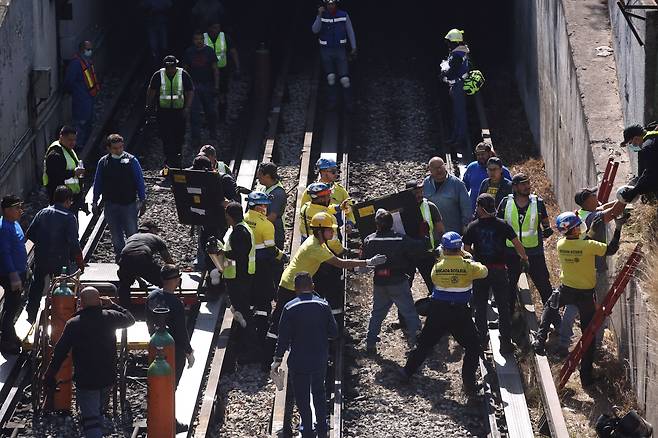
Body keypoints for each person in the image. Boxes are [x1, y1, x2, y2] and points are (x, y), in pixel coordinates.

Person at [265, 212, 386, 362]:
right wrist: (368, 262)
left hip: (298, 284)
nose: (333, 232)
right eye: (330, 229)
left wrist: (359, 265)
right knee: (279, 321)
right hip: (291, 286)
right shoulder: (315, 247)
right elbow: (340, 263)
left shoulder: (318, 242)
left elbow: (339, 261)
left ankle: (318, 345)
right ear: (320, 230)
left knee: (313, 309)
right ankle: (268, 358)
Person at [532, 212, 624, 387]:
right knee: (587, 335)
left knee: (550, 306)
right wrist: (618, 227)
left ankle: (540, 338)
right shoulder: (589, 245)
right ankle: (586, 377)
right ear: (575, 228)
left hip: (567, 289)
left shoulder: (560, 244)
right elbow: (611, 249)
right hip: (585, 295)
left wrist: (590, 231)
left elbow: (578, 244)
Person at [400, 232, 487, 395]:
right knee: (473, 347)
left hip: (438, 312)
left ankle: (406, 372)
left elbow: (434, 277)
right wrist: (468, 257)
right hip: (461, 313)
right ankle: (469, 385)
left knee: (424, 344)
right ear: (459, 247)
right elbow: (484, 272)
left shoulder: (437, 267)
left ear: (444, 248)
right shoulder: (469, 266)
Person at [45, 287, 135, 438]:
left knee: (90, 419)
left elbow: (60, 352)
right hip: (108, 377)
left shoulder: (73, 323)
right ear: (99, 300)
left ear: (81, 303)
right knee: (98, 412)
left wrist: (50, 374)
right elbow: (130, 319)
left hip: (86, 379)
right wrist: (112, 304)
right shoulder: (110, 316)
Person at [558, 187, 627, 356]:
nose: (597, 197)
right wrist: (628, 195)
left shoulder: (580, 215)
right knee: (600, 308)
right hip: (594, 269)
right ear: (587, 201)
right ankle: (596, 345)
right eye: (594, 195)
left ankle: (563, 343)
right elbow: (614, 211)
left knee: (572, 307)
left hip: (575, 272)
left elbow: (603, 209)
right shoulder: (593, 217)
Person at [271, 272, 337, 438]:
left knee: (301, 396)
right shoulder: (323, 305)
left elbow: (283, 338)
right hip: (319, 358)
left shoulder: (289, 307)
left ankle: (307, 430)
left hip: (298, 360)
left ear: (295, 289)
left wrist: (277, 360)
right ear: (312, 286)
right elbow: (334, 332)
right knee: (319, 392)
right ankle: (322, 428)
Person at [462, 194, 529, 353]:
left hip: (480, 271)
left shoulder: (473, 227)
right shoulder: (503, 225)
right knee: (503, 307)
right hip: (499, 271)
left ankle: (482, 341)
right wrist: (524, 258)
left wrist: (475, 259)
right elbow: (517, 244)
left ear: (479, 208)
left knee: (480, 307)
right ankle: (505, 343)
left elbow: (466, 250)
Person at [362, 209, 426, 353]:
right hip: (398, 281)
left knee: (377, 314)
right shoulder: (400, 239)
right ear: (392, 224)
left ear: (377, 225)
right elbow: (420, 247)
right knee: (409, 312)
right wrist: (423, 235)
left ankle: (370, 343)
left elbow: (363, 262)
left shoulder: (369, 240)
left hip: (380, 281)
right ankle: (418, 342)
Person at [26, 186, 85, 323]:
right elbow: (74, 243)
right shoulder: (69, 218)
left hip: (41, 257)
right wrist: (80, 261)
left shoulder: (42, 212)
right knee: (62, 287)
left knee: (37, 285)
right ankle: (60, 316)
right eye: (70, 201)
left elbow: (30, 234)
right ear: (67, 201)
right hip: (60, 260)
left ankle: (31, 316)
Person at [498, 173, 554, 313]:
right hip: (511, 252)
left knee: (544, 286)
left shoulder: (538, 203)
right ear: (515, 187)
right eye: (523, 184)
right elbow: (497, 225)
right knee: (508, 287)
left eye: (528, 183)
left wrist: (547, 229)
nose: (527, 186)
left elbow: (545, 223)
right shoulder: (505, 203)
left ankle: (554, 319)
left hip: (533, 252)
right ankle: (508, 317)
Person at [92, 134, 147, 259]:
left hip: (128, 204)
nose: (119, 150)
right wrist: (94, 201)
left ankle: (134, 257)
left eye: (121, 147)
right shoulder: (103, 162)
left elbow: (139, 181)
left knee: (132, 233)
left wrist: (143, 199)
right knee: (116, 236)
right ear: (109, 148)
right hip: (111, 204)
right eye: (115, 148)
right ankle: (121, 258)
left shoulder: (132, 161)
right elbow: (98, 182)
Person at [244, 192, 288, 345]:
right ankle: (262, 329)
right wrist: (282, 256)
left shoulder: (244, 220)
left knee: (250, 295)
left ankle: (247, 327)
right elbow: (271, 249)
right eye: (264, 205)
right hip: (262, 266)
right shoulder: (266, 225)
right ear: (259, 207)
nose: (266, 208)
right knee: (264, 296)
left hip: (246, 265)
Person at [145, 265, 194, 387]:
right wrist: (189, 351)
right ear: (176, 280)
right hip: (173, 349)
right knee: (171, 382)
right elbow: (181, 331)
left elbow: (148, 321)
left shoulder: (152, 296)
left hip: (155, 342)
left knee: (156, 380)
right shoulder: (176, 304)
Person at [146, 55, 194, 169]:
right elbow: (151, 90)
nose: (171, 69)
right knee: (166, 136)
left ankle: (177, 156)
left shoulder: (183, 75)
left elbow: (190, 91)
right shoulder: (158, 75)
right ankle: (169, 159)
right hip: (164, 112)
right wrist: (148, 105)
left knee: (179, 136)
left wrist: (187, 108)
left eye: (173, 66)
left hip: (179, 111)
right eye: (169, 67)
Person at [117, 220, 174, 307]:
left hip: (124, 258)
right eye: (156, 230)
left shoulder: (132, 237)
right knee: (164, 281)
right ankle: (165, 305)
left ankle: (125, 308)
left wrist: (140, 280)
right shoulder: (156, 238)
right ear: (152, 229)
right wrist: (174, 276)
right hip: (142, 258)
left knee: (124, 285)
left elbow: (132, 262)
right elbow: (169, 262)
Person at [312, 0, 357, 110]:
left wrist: (354, 46)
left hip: (340, 50)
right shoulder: (322, 16)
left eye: (332, 3)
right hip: (326, 50)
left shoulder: (343, 15)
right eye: (328, 4)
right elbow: (315, 30)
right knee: (330, 78)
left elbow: (350, 30)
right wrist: (319, 15)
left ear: (336, 4)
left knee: (344, 79)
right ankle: (332, 102)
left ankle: (349, 104)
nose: (330, 6)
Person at [218, 202, 255, 328]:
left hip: (239, 274)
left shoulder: (239, 232)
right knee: (239, 301)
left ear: (229, 216)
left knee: (241, 302)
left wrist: (223, 253)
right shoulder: (241, 228)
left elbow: (239, 254)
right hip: (238, 271)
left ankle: (245, 326)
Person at [405, 180, 445, 293]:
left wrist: (442, 249)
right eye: (415, 193)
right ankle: (405, 310)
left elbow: (441, 230)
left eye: (421, 192)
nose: (419, 195)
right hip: (407, 254)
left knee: (433, 285)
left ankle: (434, 308)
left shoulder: (430, 207)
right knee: (405, 288)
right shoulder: (401, 209)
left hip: (426, 253)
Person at [0, 195, 28, 354]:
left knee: (15, 305)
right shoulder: (4, 228)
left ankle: (10, 335)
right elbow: (5, 253)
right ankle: (5, 341)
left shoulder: (14, 223)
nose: (20, 210)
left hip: (19, 271)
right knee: (11, 307)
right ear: (7, 210)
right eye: (17, 208)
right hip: (11, 274)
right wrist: (13, 275)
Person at [183, 30, 220, 147]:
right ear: (193, 40)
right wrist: (185, 88)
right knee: (194, 113)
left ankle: (213, 132)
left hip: (207, 84)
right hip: (193, 86)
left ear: (203, 39)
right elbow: (185, 71)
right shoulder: (189, 52)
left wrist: (217, 85)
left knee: (211, 111)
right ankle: (196, 138)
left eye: (200, 39)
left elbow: (215, 69)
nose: (198, 41)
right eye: (196, 39)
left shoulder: (209, 51)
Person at [301, 158, 355, 231]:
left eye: (337, 171)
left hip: (334, 231)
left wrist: (350, 222)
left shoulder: (340, 190)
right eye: (333, 172)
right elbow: (303, 212)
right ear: (323, 172)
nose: (336, 174)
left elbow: (349, 206)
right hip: (315, 232)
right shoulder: (311, 191)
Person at [64, 41, 100, 147]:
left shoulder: (86, 61)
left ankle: (85, 144)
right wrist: (69, 91)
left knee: (87, 122)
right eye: (88, 49)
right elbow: (69, 81)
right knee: (80, 123)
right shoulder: (76, 63)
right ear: (82, 50)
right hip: (81, 99)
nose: (90, 51)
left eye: (90, 49)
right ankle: (78, 146)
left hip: (88, 98)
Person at [422, 156, 471, 233]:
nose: (439, 170)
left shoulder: (457, 184)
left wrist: (465, 225)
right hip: (434, 232)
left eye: (440, 167)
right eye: (435, 168)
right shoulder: (426, 183)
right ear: (430, 169)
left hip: (453, 231)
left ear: (445, 166)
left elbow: (466, 206)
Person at [43, 125, 86, 210]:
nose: (73, 142)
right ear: (61, 137)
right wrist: (73, 173)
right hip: (61, 201)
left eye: (74, 140)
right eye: (70, 140)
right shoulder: (55, 154)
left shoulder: (68, 150)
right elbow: (55, 176)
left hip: (70, 199)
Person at [440, 29, 470, 150]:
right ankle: (456, 137)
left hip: (458, 86)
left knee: (459, 114)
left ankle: (460, 139)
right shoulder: (462, 52)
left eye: (449, 42)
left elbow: (452, 72)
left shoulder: (457, 55)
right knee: (458, 113)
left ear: (454, 42)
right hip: (459, 85)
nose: (448, 45)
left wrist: (444, 74)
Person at [204, 21, 241, 118]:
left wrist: (237, 67)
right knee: (208, 95)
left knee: (222, 94)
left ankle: (222, 116)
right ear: (210, 28)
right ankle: (209, 116)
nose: (217, 30)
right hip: (207, 71)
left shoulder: (225, 38)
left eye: (218, 27)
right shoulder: (203, 38)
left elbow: (233, 52)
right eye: (215, 27)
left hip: (223, 70)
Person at [462, 143, 512, 213]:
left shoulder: (502, 170)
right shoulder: (471, 167)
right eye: (478, 154)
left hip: (499, 214)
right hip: (476, 212)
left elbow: (511, 194)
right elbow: (464, 188)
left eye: (482, 154)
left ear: (490, 153)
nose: (480, 157)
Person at [618, 124, 658, 202]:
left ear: (636, 138)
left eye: (630, 143)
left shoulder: (647, 147)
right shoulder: (652, 138)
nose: (632, 146)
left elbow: (652, 174)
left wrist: (635, 191)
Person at [257, 162, 287, 250]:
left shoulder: (278, 193)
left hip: (274, 234)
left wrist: (254, 226)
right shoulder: (264, 188)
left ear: (267, 176)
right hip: (265, 233)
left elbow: (272, 217)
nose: (258, 177)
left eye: (260, 175)